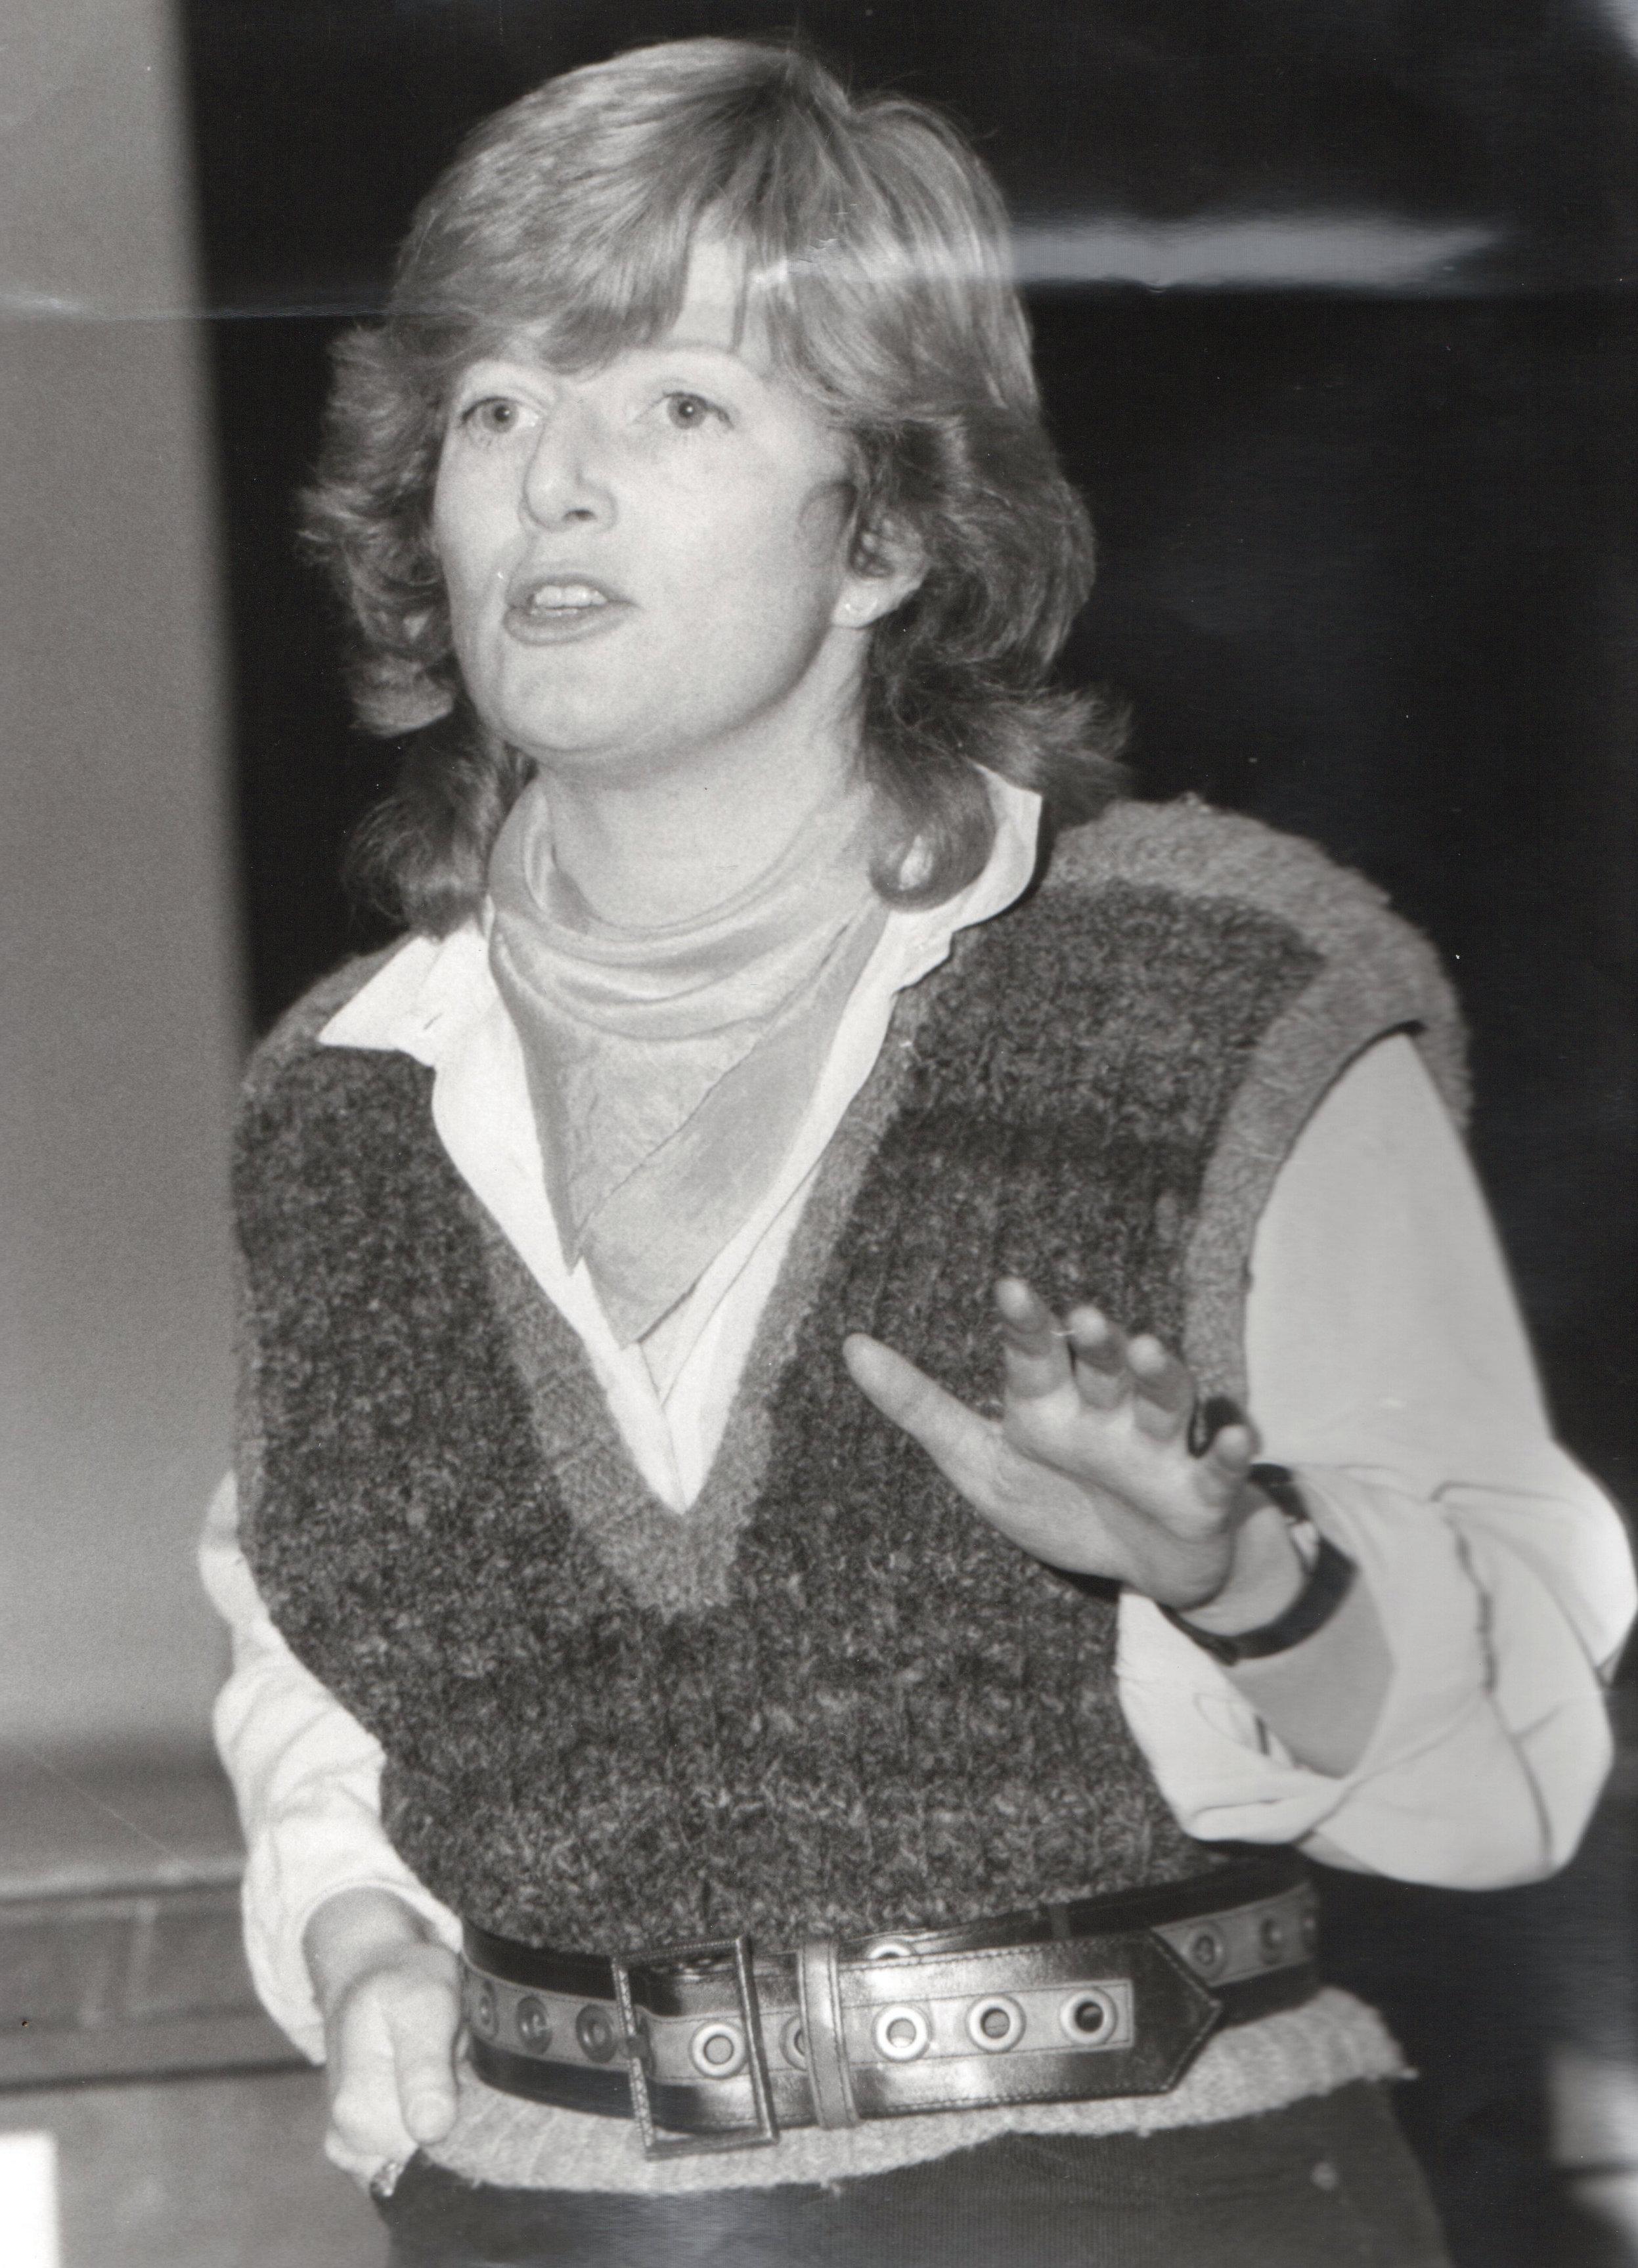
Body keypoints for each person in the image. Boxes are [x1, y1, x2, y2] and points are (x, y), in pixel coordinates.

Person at [201, 35, 1633, 2267]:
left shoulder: (1223, 1002)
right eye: (492, 410)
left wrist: (1242, 1577)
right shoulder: (341, 1097)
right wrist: (365, 1934)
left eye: (677, 405)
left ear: (880, 529)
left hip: (1147, 2210)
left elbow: (1502, 1783)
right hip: (546, 2221)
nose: (552, 482)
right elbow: (315, 1647)